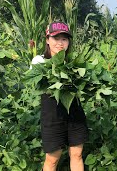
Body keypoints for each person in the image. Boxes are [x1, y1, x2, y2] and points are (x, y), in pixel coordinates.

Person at [31, 21, 88, 171]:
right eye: (56, 38)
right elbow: (37, 82)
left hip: (75, 114)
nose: (60, 43)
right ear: (47, 40)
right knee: (52, 159)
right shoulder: (40, 61)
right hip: (52, 116)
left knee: (77, 155)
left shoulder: (74, 63)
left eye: (64, 39)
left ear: (68, 42)